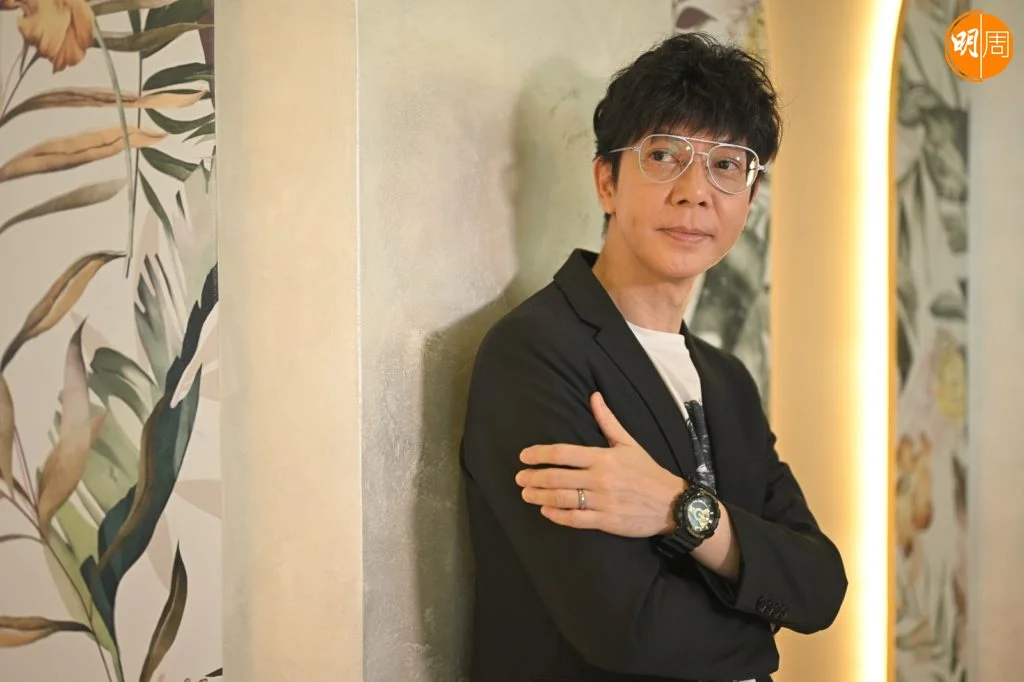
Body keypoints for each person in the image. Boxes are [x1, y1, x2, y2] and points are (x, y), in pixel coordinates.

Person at [459, 32, 848, 682]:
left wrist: (679, 507)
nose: (696, 191)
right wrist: (762, 633)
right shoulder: (535, 356)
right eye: (665, 155)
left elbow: (820, 585)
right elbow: (628, 629)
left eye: (727, 165)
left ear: (749, 200)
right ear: (606, 182)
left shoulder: (727, 381)